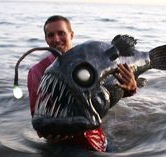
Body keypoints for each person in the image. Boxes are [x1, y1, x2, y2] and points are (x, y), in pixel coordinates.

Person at [27, 15, 137, 152]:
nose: (56, 39)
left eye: (61, 33)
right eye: (51, 35)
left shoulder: (91, 60)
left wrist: (131, 88)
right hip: (62, 145)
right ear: (46, 40)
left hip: (97, 139)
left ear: (71, 35)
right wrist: (49, 134)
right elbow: (37, 118)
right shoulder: (37, 71)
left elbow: (109, 93)